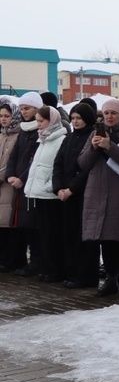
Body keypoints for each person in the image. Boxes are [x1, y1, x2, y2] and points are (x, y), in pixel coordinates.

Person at [78, 98, 119, 299]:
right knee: (104, 237)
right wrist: (94, 147)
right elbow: (82, 162)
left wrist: (110, 146)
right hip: (97, 190)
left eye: (113, 113)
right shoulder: (94, 133)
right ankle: (111, 277)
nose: (109, 117)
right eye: (106, 113)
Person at [53, 101, 97, 289]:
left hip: (82, 194)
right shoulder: (68, 138)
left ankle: (86, 275)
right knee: (69, 235)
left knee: (84, 237)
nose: (75, 121)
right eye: (73, 118)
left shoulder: (92, 136)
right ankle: (72, 272)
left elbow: (88, 168)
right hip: (65, 194)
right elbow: (58, 164)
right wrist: (58, 188)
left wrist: (72, 189)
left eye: (79, 118)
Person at [24, 106, 67, 283]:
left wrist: (51, 187)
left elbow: (59, 167)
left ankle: (55, 269)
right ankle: (46, 268)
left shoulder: (60, 139)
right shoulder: (43, 139)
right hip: (39, 194)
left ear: (52, 120)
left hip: (50, 195)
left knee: (52, 235)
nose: (38, 124)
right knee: (42, 234)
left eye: (42, 121)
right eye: (38, 121)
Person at [3, 92, 42, 275]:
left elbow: (34, 160)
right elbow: (14, 157)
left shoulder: (37, 132)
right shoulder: (24, 131)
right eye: (22, 108)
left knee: (32, 226)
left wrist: (22, 178)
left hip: (29, 185)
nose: (24, 112)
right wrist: (11, 174)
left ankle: (35, 262)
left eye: (27, 108)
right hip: (17, 184)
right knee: (21, 224)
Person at [0, 101, 21, 271]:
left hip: (8, 184)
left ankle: (10, 260)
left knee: (8, 223)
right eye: (1, 116)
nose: (3, 119)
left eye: (7, 116)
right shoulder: (2, 135)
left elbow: (11, 162)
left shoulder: (18, 135)